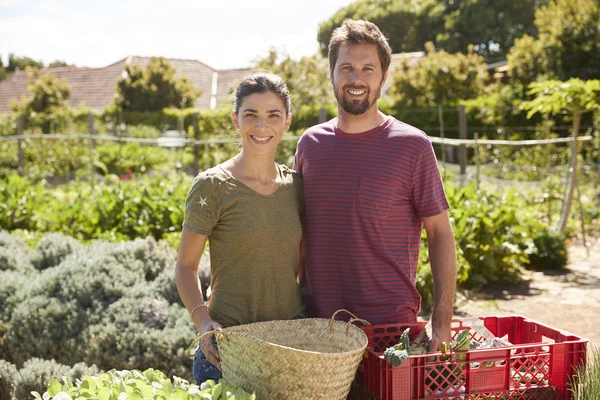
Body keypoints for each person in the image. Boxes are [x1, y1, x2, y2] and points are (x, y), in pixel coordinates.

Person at [294, 19, 457, 351]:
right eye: (347, 68)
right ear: (331, 73)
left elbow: (440, 233)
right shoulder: (310, 144)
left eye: (368, 68)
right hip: (318, 328)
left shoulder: (412, 146)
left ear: (383, 76)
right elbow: (296, 231)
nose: (356, 78)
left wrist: (442, 319)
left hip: (389, 330)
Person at [175, 72, 306, 384]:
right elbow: (185, 266)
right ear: (236, 119)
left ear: (287, 122)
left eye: (273, 115)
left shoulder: (297, 186)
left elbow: (301, 263)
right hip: (227, 349)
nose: (261, 127)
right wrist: (203, 322)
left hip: (289, 345)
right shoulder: (212, 186)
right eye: (251, 115)